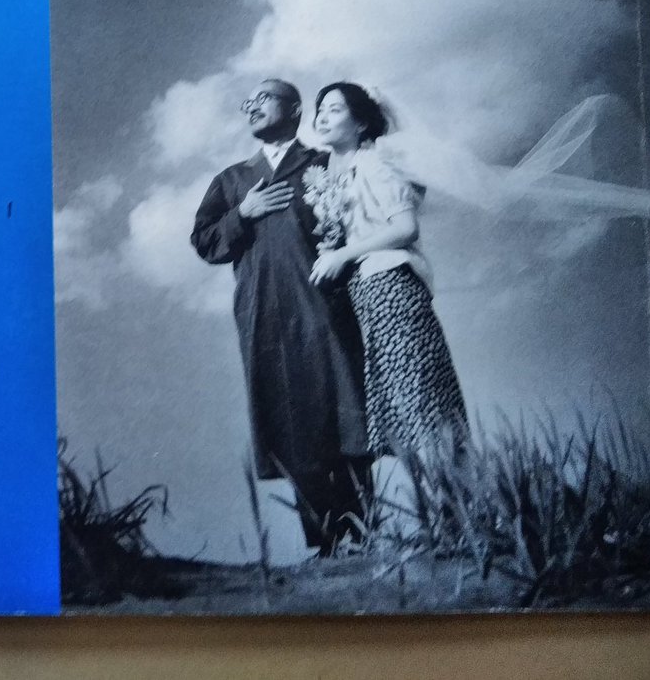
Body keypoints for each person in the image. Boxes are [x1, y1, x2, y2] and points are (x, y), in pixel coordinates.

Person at [191, 78, 370, 556]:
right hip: (263, 313)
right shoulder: (232, 179)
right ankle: (326, 544)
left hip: (326, 305)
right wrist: (243, 213)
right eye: (247, 101)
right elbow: (205, 242)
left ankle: (364, 533)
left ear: (294, 109)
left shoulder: (323, 163)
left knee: (345, 414)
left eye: (264, 97)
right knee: (290, 421)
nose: (251, 105)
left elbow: (363, 218)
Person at [307, 82, 469, 460]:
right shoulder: (336, 175)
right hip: (370, 294)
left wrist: (341, 255)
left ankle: (464, 491)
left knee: (422, 405)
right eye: (320, 109)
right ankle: (452, 493)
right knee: (406, 412)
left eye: (335, 109)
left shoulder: (375, 163)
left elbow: (405, 227)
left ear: (361, 124)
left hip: (392, 288)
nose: (322, 117)